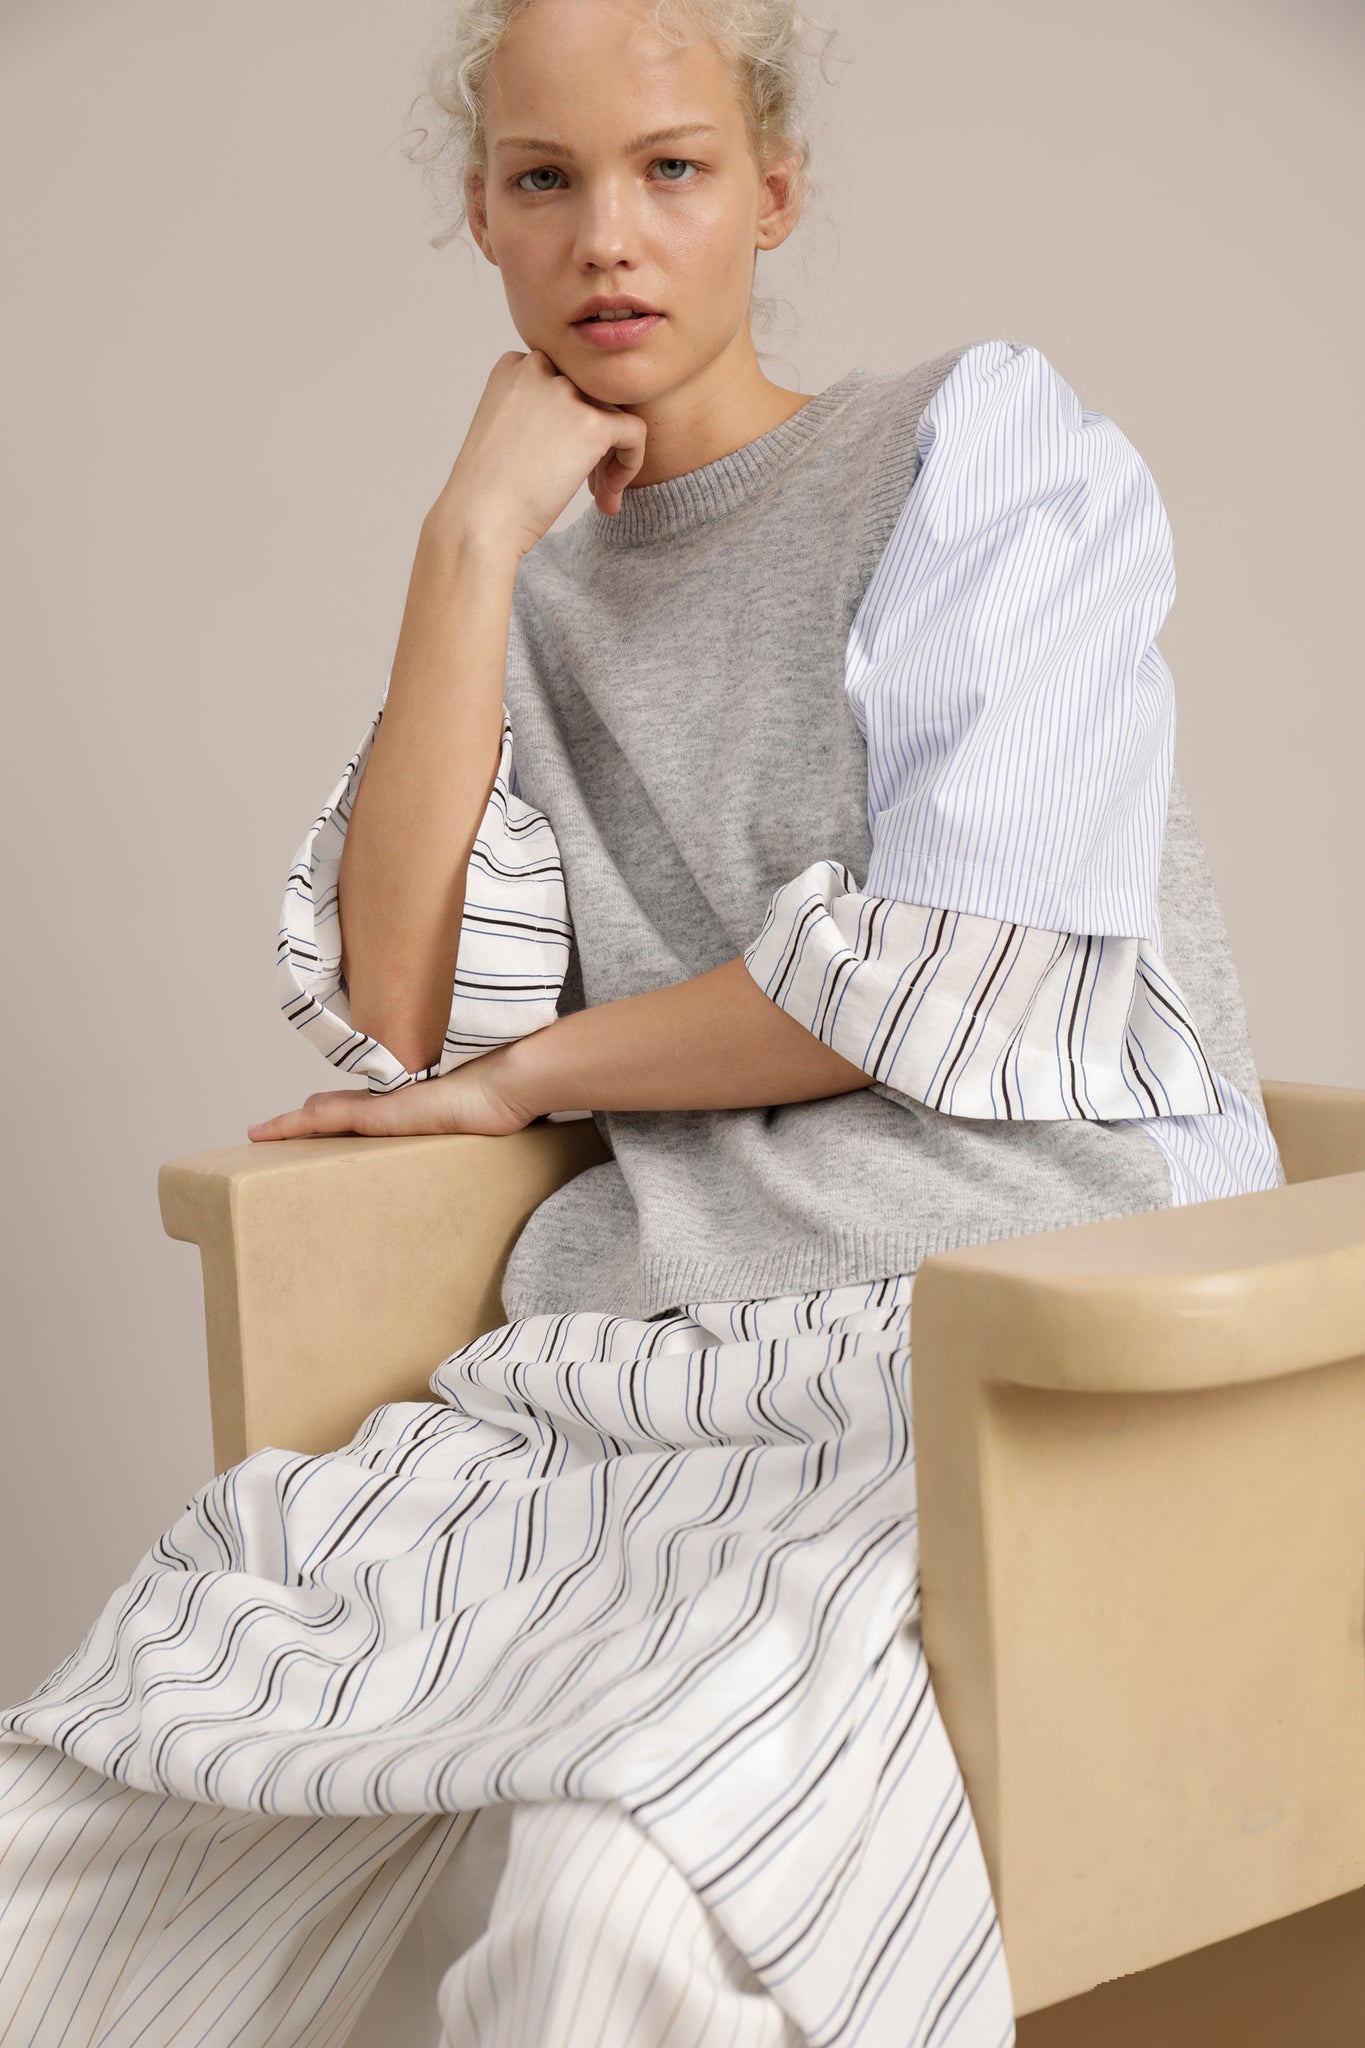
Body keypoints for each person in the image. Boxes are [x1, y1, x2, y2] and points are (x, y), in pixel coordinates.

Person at [0, 0, 1283, 2042]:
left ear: (772, 192)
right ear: (482, 221)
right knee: (95, 1808)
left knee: (617, 1893)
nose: (607, 234)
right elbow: (402, 1018)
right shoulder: (525, 588)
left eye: (671, 168)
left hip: (1005, 1308)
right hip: (644, 1351)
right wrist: (465, 545)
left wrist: (534, 1076)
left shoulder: (974, 450)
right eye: (546, 180)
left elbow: (947, 963)